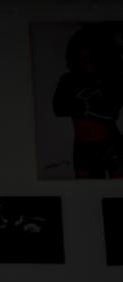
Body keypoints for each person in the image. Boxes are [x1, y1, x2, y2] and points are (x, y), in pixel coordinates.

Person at [53, 23, 123, 178]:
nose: (86, 63)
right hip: (83, 145)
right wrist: (87, 106)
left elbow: (111, 112)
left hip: (109, 143)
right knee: (86, 186)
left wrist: (83, 106)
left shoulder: (110, 79)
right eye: (82, 58)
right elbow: (58, 107)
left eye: (90, 58)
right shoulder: (69, 80)